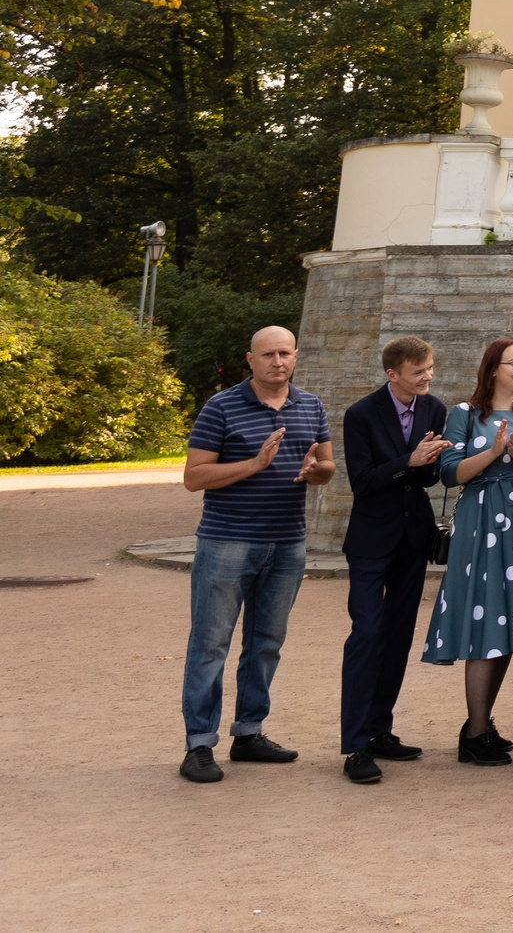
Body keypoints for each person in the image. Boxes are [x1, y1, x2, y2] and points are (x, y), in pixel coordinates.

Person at [178, 325, 333, 784]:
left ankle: (248, 733)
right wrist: (254, 465)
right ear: (250, 359)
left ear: (296, 356)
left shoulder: (310, 405)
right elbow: (194, 477)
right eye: (268, 355)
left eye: (285, 353)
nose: (277, 362)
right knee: (210, 644)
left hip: (287, 543)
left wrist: (314, 471)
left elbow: (326, 467)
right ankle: (199, 745)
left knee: (266, 643)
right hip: (227, 541)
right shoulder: (220, 407)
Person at [335, 334, 449, 784]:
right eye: (419, 370)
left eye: (430, 368)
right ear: (392, 374)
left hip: (412, 538)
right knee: (366, 634)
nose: (427, 376)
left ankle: (381, 730)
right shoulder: (360, 414)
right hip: (369, 540)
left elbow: (430, 479)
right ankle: (355, 746)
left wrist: (434, 463)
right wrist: (411, 459)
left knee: (399, 634)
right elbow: (362, 481)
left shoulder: (433, 408)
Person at [421, 337, 513, 766]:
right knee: (487, 619)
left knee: (507, 623)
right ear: (492, 369)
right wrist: (493, 452)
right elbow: (449, 475)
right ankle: (473, 733)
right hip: (484, 521)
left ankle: (481, 722)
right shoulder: (465, 414)